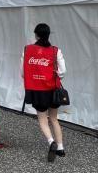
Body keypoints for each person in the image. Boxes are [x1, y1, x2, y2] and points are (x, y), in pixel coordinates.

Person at [22, 23, 67, 162]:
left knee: (42, 119)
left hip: (37, 90)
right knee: (54, 118)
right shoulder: (55, 51)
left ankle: (51, 141)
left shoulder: (27, 49)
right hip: (53, 89)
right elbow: (62, 71)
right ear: (48, 35)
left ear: (36, 35)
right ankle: (60, 148)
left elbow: (23, 72)